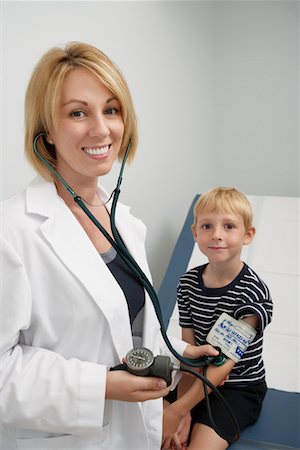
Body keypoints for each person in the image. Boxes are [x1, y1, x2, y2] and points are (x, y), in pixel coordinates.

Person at [0, 42, 218, 450]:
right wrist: (99, 386)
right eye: (77, 112)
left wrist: (178, 359)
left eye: (112, 109)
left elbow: (128, 331)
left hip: (135, 433)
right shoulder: (11, 231)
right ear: (46, 131)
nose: (101, 129)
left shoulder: (128, 223)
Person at [162, 187, 273, 450]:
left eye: (229, 226)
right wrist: (184, 409)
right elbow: (189, 352)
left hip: (238, 387)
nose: (217, 235)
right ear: (195, 233)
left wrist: (178, 410)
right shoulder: (188, 283)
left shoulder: (252, 292)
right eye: (208, 226)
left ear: (248, 235)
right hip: (197, 376)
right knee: (159, 437)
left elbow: (224, 364)